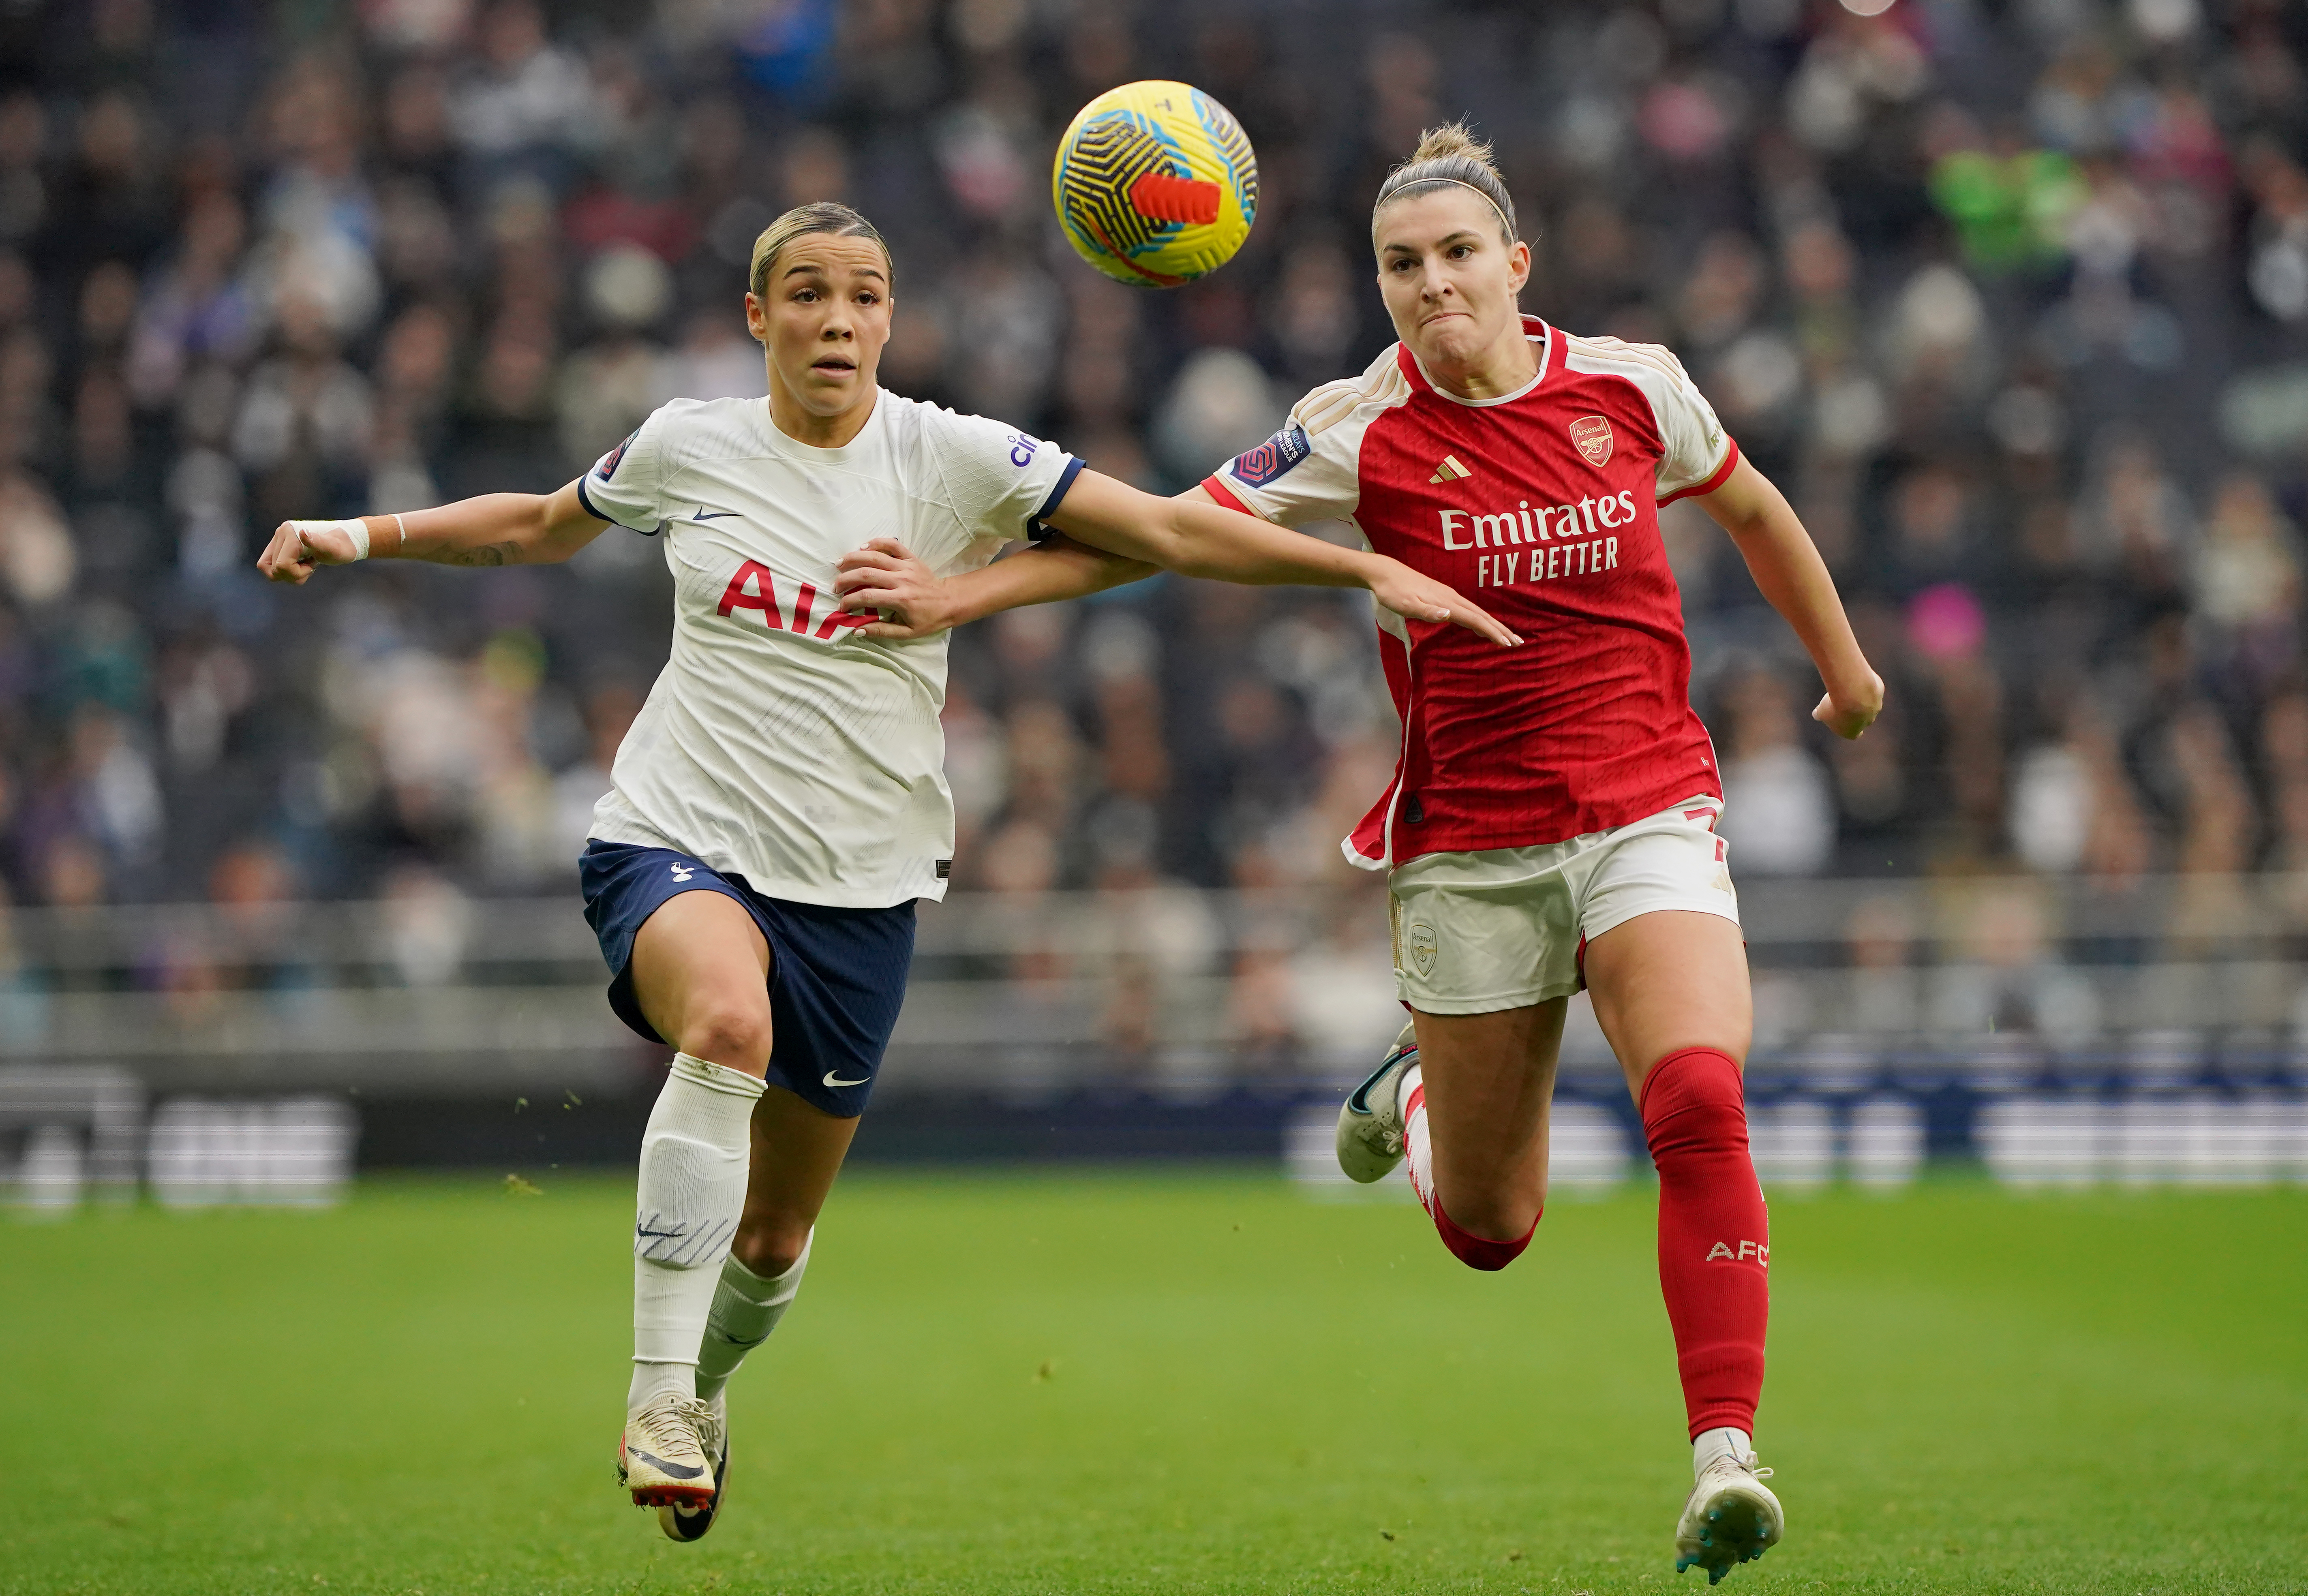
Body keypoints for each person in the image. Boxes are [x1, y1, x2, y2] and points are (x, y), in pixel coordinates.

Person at [255, 201, 1515, 1543]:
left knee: (777, 1238)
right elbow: (540, 526)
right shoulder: (691, 444)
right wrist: (362, 533)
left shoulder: (955, 457)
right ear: (760, 317)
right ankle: (660, 1394)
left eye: (863, 295)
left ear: (891, 320)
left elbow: (1169, 532)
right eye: (805, 294)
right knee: (725, 1025)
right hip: (675, 832)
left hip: (860, 888)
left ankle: (712, 1383)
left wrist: (1360, 564)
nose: (836, 319)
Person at [844, 128, 1883, 1585]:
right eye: (1403, 264)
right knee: (1490, 1228)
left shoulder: (1634, 385)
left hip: (1651, 808)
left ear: (1517, 265)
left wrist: (1844, 669)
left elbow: (1758, 509)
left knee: (1701, 1095)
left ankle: (1727, 1454)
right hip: (1470, 850)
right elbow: (1158, 534)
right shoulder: (1355, 427)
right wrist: (962, 595)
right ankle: (1416, 1085)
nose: (1433, 283)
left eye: (1459, 253)